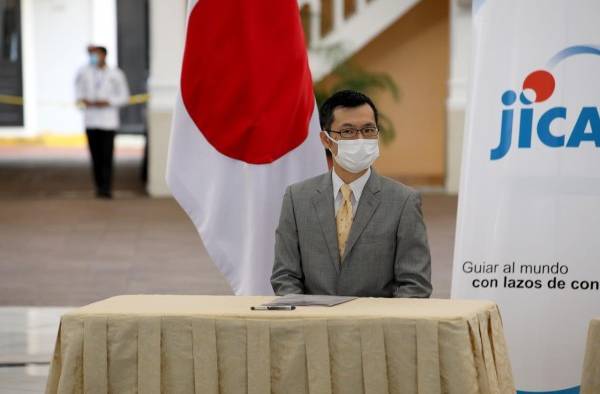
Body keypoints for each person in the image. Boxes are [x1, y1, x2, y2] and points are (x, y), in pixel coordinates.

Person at [271, 90, 432, 298]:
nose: (360, 139)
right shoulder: (297, 198)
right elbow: (285, 276)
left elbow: (415, 284)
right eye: (348, 132)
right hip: (313, 324)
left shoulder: (403, 201)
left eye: (368, 130)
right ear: (326, 140)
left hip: (376, 326)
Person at [75, 46, 130, 198]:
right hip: (91, 121)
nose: (94, 57)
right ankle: (99, 186)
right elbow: (77, 90)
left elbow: (124, 97)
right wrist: (82, 100)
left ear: (104, 56)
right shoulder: (84, 72)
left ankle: (106, 188)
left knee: (107, 156)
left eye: (97, 54)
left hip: (108, 122)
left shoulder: (116, 74)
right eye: (92, 54)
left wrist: (109, 102)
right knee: (95, 157)